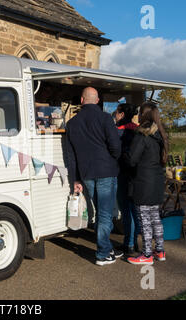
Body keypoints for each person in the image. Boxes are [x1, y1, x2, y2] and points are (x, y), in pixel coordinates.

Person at [65, 87, 122, 266]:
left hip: (86, 173)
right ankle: (103, 253)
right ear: (97, 101)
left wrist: (75, 178)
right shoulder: (105, 118)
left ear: (82, 101)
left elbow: (71, 155)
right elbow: (116, 146)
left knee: (99, 212)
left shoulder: (72, 123)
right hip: (106, 171)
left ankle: (107, 247)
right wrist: (113, 159)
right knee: (105, 214)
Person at [124, 102, 168, 265]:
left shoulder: (142, 134)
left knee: (144, 219)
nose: (138, 115)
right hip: (156, 180)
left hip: (143, 181)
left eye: (140, 113)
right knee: (155, 217)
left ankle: (147, 253)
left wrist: (123, 155)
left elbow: (132, 159)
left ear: (144, 115)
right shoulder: (160, 134)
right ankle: (160, 250)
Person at [114, 103, 140, 254]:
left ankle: (129, 244)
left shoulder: (118, 131)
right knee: (133, 210)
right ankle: (133, 241)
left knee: (126, 210)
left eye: (116, 113)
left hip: (122, 173)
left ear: (122, 114)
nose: (115, 115)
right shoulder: (138, 130)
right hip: (135, 174)